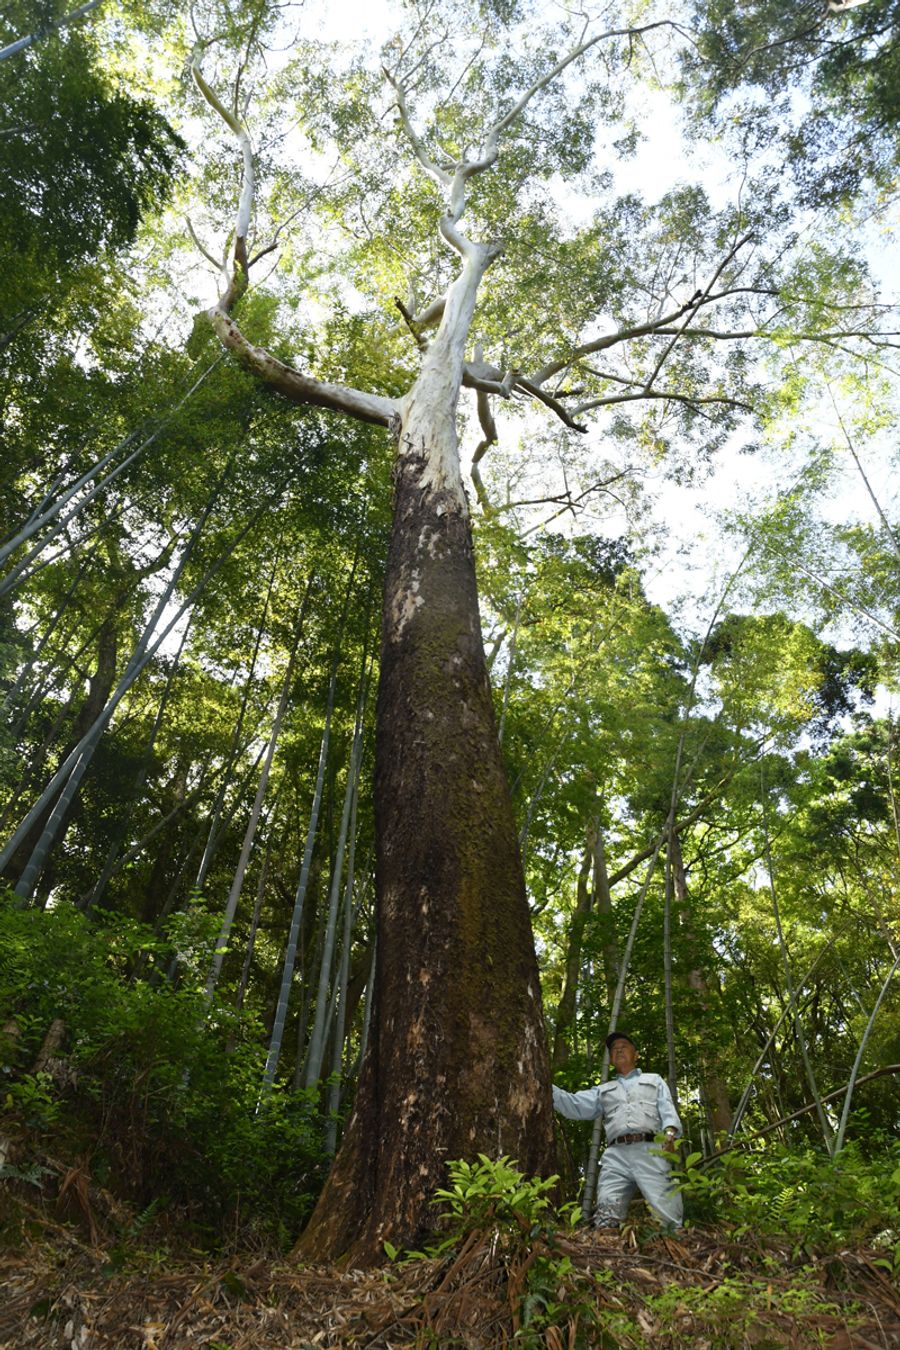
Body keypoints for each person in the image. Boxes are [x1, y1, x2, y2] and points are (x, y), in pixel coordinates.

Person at [552, 1031, 684, 1230]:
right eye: (614, 1048)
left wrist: (670, 1134)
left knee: (666, 1208)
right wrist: (545, 1085)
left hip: (650, 1148)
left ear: (636, 1054)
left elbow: (667, 1109)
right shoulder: (604, 1089)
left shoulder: (654, 1080)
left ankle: (676, 1244)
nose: (618, 1049)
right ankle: (608, 1252)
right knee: (607, 1205)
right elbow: (574, 1105)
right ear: (611, 1059)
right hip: (616, 1155)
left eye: (624, 1046)